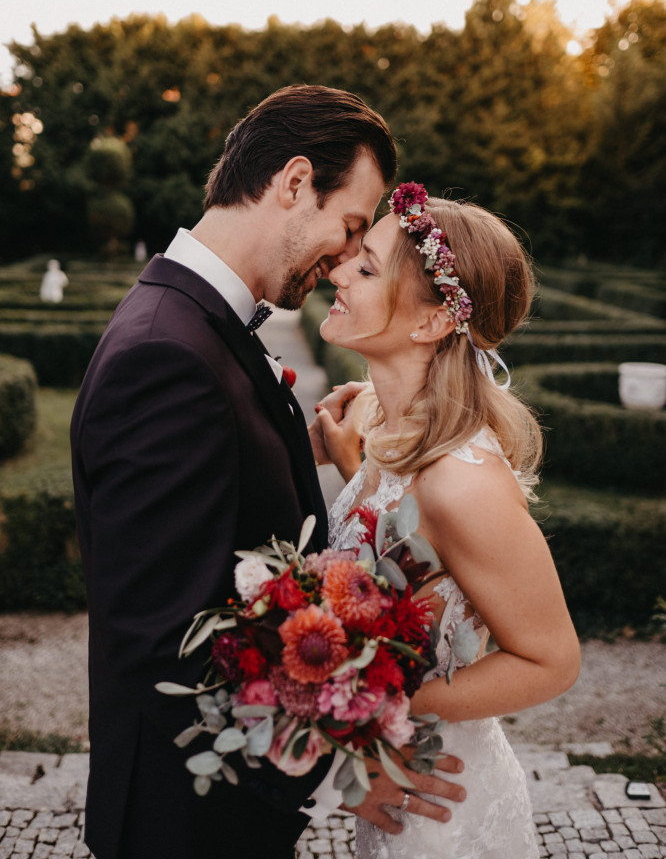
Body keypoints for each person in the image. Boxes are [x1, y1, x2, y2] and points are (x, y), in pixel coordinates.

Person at [70, 90, 465, 859]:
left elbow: (209, 483)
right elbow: (162, 637)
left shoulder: (197, 323)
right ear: (292, 183)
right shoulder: (166, 354)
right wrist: (344, 761)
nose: (349, 257)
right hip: (183, 823)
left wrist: (304, 445)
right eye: (351, 226)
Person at [313, 184, 581, 859]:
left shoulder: (465, 485)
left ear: (433, 323)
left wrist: (385, 704)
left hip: (444, 806)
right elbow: (419, 554)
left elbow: (552, 660)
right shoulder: (380, 424)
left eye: (366, 267)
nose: (337, 271)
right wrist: (355, 472)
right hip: (394, 786)